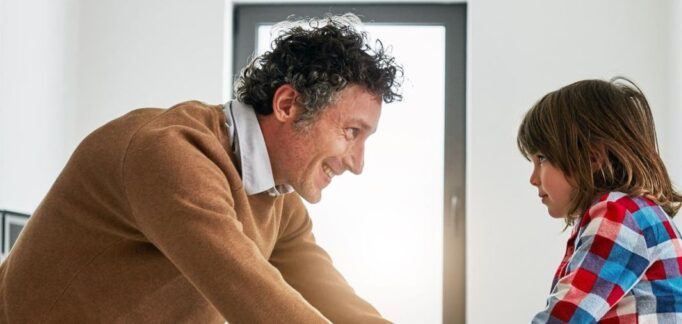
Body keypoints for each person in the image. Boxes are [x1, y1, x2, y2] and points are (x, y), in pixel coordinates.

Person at [0, 14, 400, 323]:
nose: (358, 163)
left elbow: (335, 301)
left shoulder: (278, 201)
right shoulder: (172, 153)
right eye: (351, 132)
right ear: (287, 105)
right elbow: (255, 299)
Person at [519, 78, 682, 323]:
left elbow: (565, 317)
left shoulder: (619, 216)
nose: (533, 178)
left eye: (542, 158)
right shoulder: (631, 213)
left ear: (593, 157)